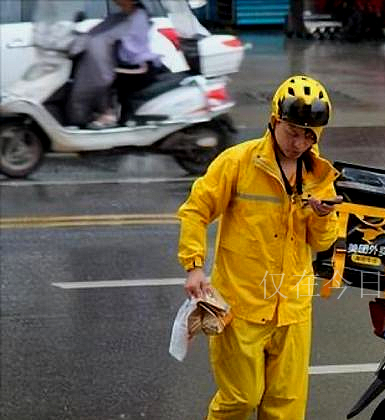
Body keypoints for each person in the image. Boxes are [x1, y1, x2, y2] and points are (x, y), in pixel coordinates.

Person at [177, 75, 341, 420]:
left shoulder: (320, 177)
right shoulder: (238, 162)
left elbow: (323, 242)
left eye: (308, 135)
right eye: (292, 131)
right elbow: (196, 209)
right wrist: (194, 265)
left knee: (285, 408)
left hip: (293, 310)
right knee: (241, 399)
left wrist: (324, 216)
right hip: (241, 308)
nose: (299, 143)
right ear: (275, 120)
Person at [67, 0, 161, 128]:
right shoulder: (121, 16)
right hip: (128, 62)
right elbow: (95, 33)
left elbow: (107, 38)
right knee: (94, 69)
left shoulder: (136, 17)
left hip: (139, 66)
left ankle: (107, 113)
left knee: (99, 74)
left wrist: (88, 44)